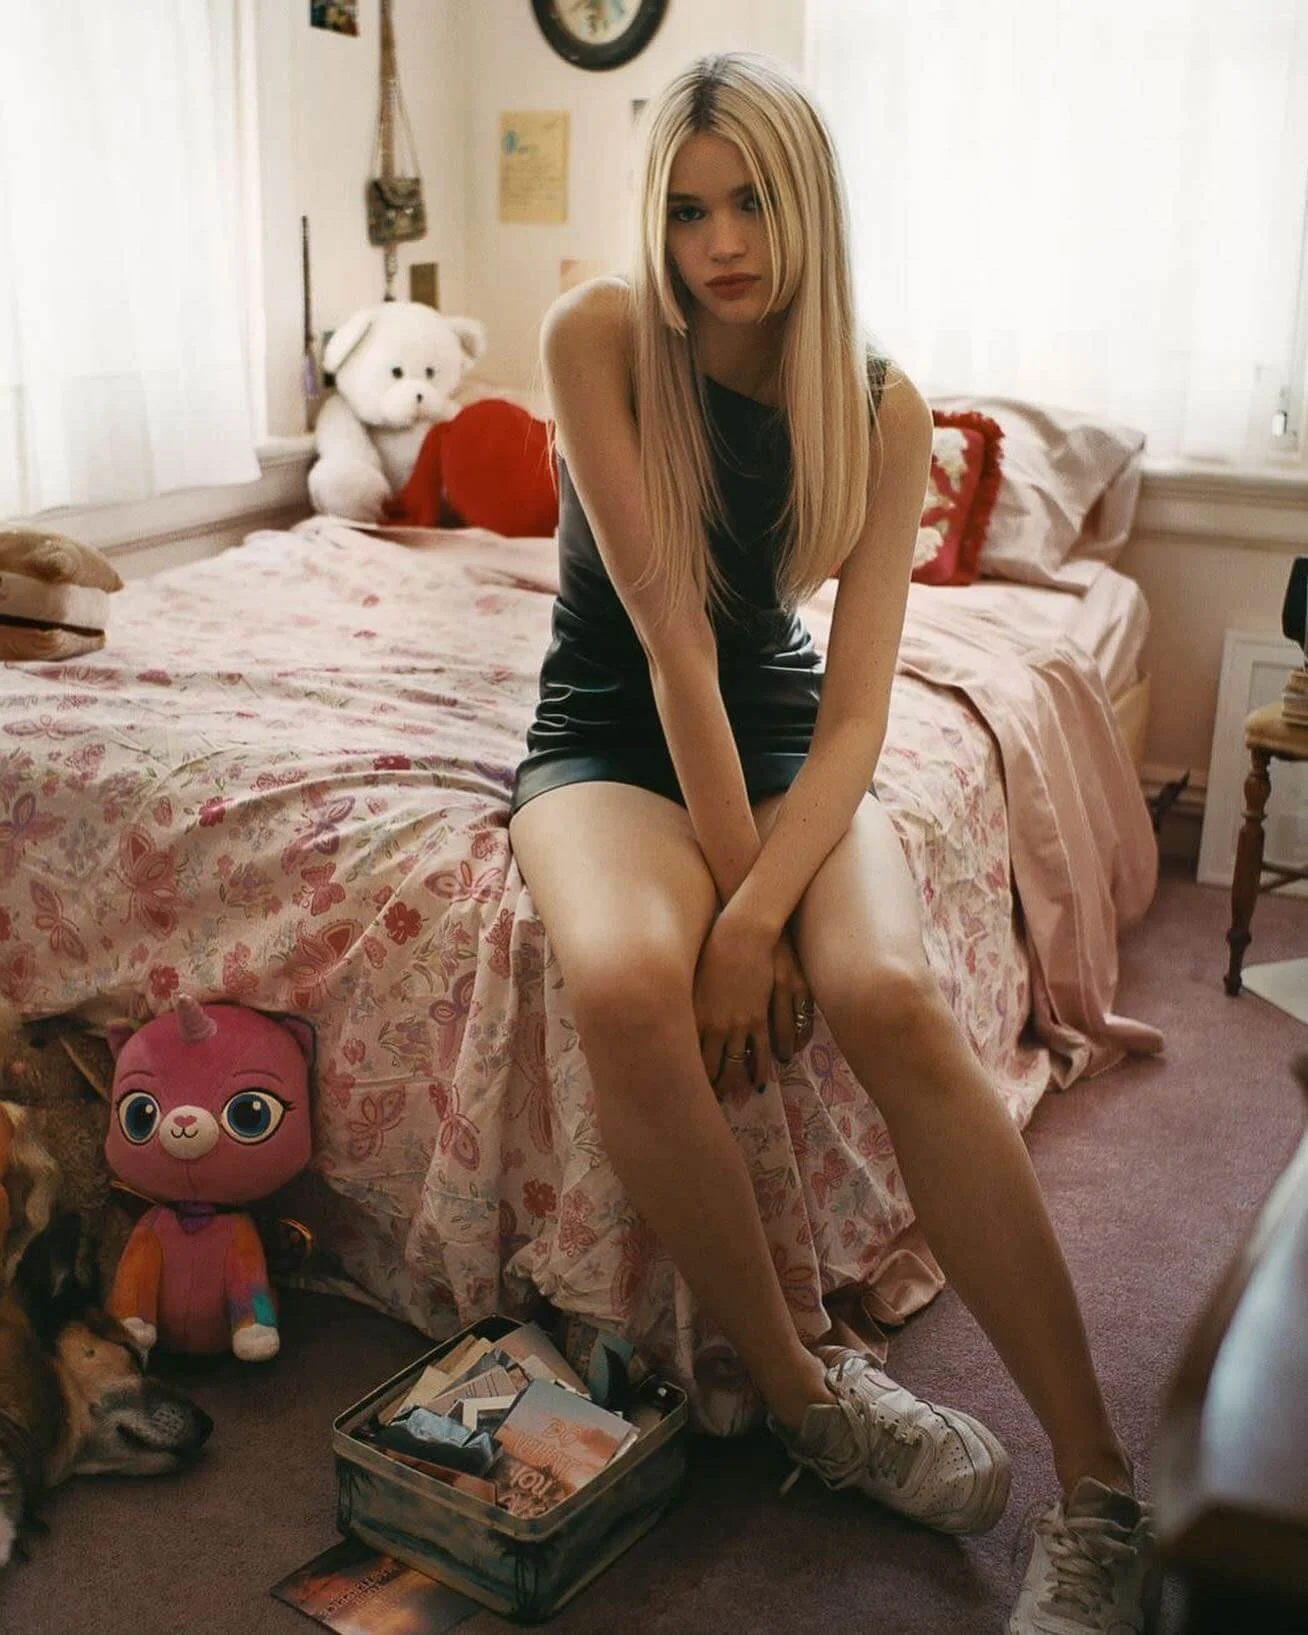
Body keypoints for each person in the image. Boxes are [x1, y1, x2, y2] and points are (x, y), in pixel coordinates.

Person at [507, 50, 1156, 1635]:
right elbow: (664, 643)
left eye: (750, 202)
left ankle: (1100, 1490)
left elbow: (857, 715)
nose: (718, 240)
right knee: (621, 980)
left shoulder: (878, 400)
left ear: (809, 207)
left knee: (887, 995)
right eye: (686, 208)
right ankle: (810, 1396)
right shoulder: (598, 335)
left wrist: (765, 910)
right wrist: (730, 913)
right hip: (607, 727)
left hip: (790, 734)